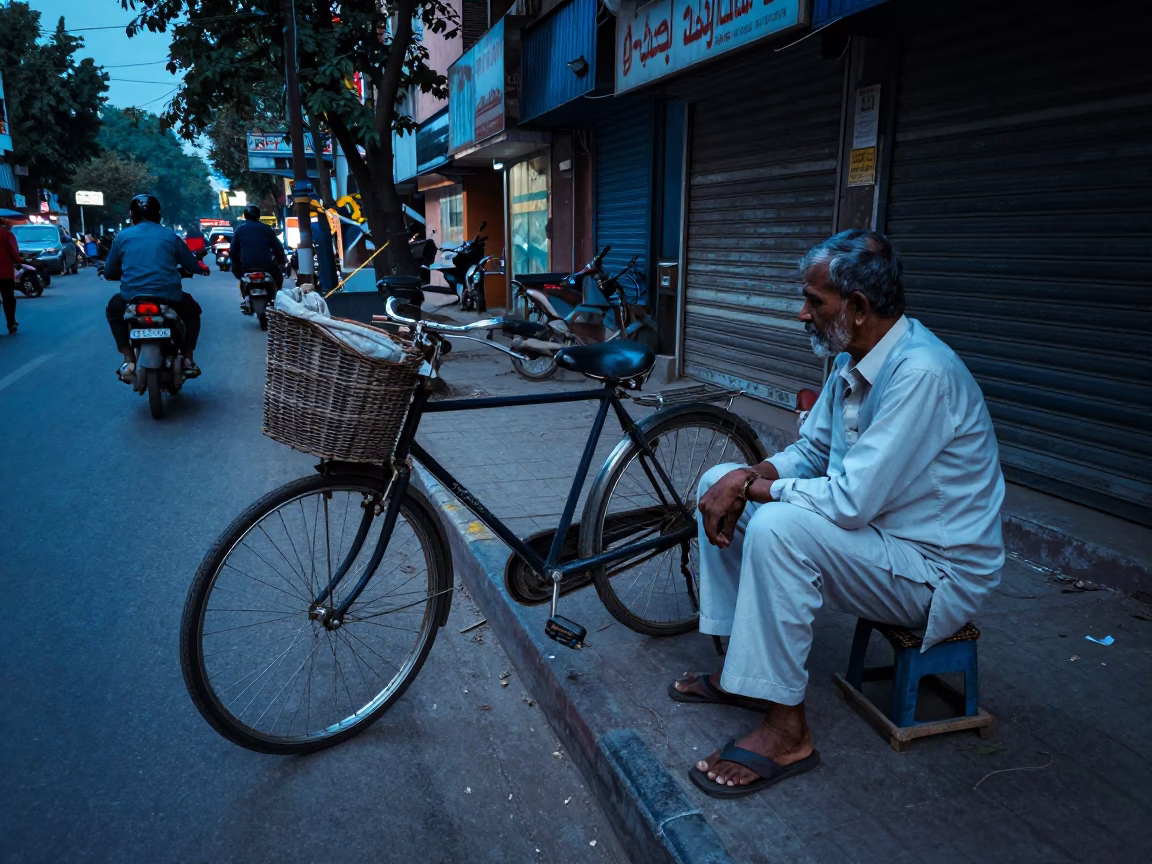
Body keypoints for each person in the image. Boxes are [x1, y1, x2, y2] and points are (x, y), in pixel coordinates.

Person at [677, 230, 1005, 798]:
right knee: (716, 481)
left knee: (779, 528)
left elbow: (849, 502)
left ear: (856, 307)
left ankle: (787, 731)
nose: (802, 314)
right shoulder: (854, 359)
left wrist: (755, 491)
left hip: (934, 573)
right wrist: (743, 477)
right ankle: (748, 676)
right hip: (880, 540)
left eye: (814, 301)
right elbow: (809, 455)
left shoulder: (921, 373)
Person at [103, 194, 203, 379]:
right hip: (169, 296)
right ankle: (188, 358)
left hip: (130, 296)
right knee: (192, 313)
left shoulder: (122, 237)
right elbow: (191, 265)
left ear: (132, 215)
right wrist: (198, 268)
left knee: (113, 310)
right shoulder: (170, 236)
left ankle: (128, 357)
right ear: (158, 214)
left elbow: (109, 271)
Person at [231, 205, 287, 311]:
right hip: (266, 264)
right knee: (278, 275)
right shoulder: (267, 229)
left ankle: (245, 298)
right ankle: (277, 295)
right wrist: (281, 261)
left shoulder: (240, 230)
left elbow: (233, 250)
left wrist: (236, 261)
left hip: (247, 265)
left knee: (241, 276)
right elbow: (277, 247)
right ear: (258, 216)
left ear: (245, 216)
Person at [0, 217, 20, 334]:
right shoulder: (7, 234)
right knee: (8, 299)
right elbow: (13, 250)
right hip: (5, 273)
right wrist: (19, 260)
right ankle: (11, 323)